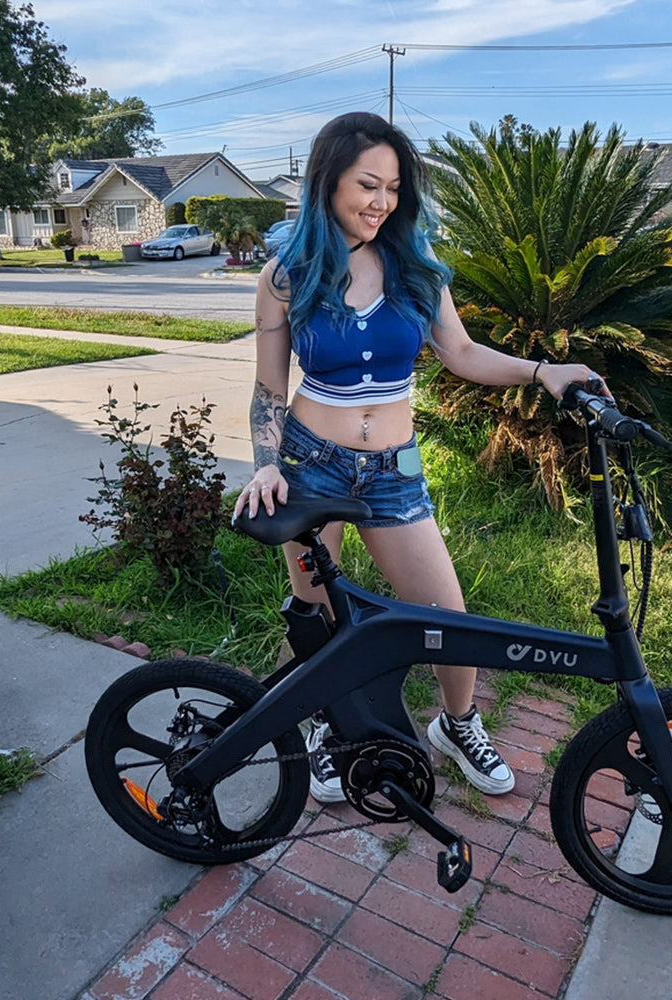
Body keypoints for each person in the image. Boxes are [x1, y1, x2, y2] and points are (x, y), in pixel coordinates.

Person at [233, 111, 607, 804]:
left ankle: (457, 724)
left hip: (393, 468)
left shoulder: (417, 269)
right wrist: (264, 463)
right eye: (366, 185)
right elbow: (268, 388)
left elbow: (461, 353)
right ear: (328, 182)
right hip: (312, 464)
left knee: (445, 614)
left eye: (394, 188)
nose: (381, 202)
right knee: (317, 615)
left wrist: (542, 371)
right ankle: (323, 728)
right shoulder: (287, 275)